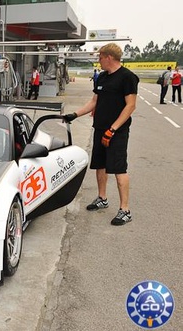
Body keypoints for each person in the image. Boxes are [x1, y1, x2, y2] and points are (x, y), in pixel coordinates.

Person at [63, 43, 139, 226]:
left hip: (116, 132)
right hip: (99, 129)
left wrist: (112, 129)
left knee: (119, 169)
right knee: (100, 166)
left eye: (100, 57)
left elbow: (131, 106)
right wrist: (74, 114)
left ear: (108, 57)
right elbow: (94, 101)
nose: (98, 60)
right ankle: (102, 198)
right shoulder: (102, 77)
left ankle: (125, 210)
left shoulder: (128, 77)